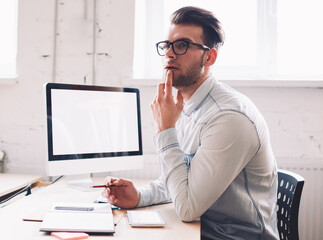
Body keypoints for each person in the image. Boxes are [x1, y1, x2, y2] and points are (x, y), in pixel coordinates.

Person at [103, 6, 279, 240]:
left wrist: (165, 129)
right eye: (167, 45)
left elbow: (187, 208)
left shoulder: (228, 118)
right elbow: (185, 181)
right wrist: (139, 197)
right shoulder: (190, 105)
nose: (169, 53)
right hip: (203, 228)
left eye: (182, 45)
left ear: (210, 57)